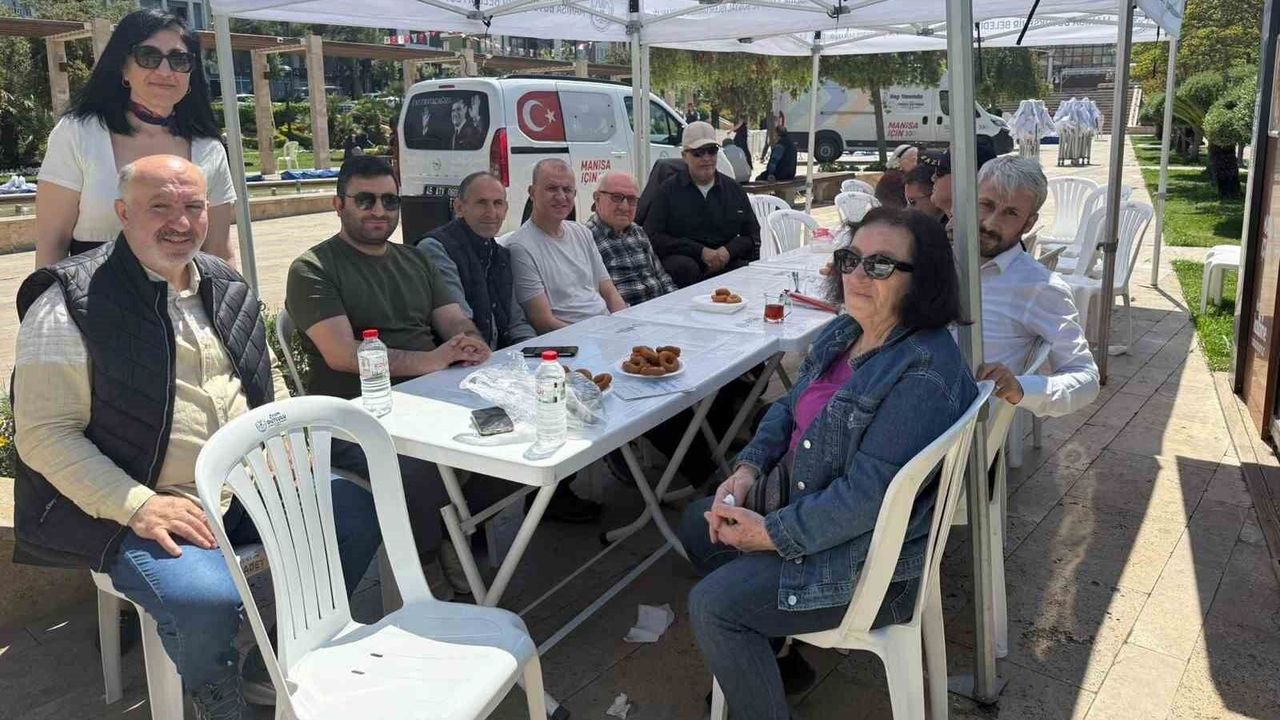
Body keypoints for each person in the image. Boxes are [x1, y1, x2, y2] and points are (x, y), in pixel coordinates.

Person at [13, 155, 380, 719]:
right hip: (142, 501)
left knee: (356, 513)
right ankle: (218, 697)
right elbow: (43, 435)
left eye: (193, 206)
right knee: (204, 599)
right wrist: (138, 505)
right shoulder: (69, 302)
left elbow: (262, 375)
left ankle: (275, 658)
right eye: (159, 206)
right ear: (122, 213)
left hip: (242, 486)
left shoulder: (224, 282)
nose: (180, 222)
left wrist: (279, 440)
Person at [681, 207, 979, 719]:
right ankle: (776, 653)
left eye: (880, 265)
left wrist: (768, 534)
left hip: (867, 563)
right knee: (696, 521)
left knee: (714, 607)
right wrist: (748, 470)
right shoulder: (845, 332)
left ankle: (755, 649)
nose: (857, 275)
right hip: (815, 512)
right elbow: (787, 407)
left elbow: (864, 499)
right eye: (850, 259)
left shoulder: (923, 372)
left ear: (922, 280)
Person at [285, 155, 491, 596]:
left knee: (507, 433)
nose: (379, 210)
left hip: (432, 396)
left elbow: (452, 318)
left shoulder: (415, 259)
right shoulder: (313, 268)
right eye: (365, 200)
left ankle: (453, 534)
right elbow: (342, 355)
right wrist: (432, 360)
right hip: (355, 417)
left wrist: (468, 340)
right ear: (338, 204)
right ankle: (422, 563)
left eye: (389, 200)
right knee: (420, 467)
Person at [35, 9, 237, 267]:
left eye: (179, 60)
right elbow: (52, 243)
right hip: (95, 290)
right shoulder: (79, 134)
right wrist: (45, 294)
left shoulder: (208, 147)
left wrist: (235, 293)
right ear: (124, 67)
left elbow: (219, 250)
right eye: (148, 57)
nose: (165, 71)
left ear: (191, 74)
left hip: (185, 290)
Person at [967, 156, 1099, 416]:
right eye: (986, 205)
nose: (990, 223)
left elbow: (1086, 379)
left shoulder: (1038, 287)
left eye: (1011, 213)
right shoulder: (937, 260)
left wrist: (1021, 388)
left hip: (964, 431)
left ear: (1028, 223)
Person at [416, 171, 537, 349]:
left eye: (498, 203)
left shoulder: (501, 254)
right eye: (481, 203)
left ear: (505, 209)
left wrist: (535, 354)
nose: (491, 213)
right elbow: (458, 324)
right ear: (459, 208)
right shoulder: (437, 249)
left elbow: (517, 324)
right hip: (458, 359)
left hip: (500, 358)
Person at [507, 158, 628, 333]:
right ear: (532, 193)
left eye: (567, 190)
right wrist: (594, 336)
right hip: (571, 339)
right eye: (552, 188)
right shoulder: (520, 247)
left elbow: (609, 292)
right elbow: (543, 321)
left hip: (606, 328)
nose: (561, 197)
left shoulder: (582, 233)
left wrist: (624, 326)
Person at [643, 121, 761, 288]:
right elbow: (653, 236)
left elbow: (752, 234)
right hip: (685, 267)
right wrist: (699, 251)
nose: (706, 158)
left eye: (711, 151)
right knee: (684, 267)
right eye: (698, 153)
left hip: (726, 262)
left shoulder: (734, 189)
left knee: (743, 270)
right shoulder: (667, 191)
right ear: (684, 156)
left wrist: (728, 251)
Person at [584, 171, 678, 306]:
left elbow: (662, 277)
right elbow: (593, 299)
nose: (625, 207)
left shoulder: (638, 231)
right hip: (625, 314)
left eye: (632, 200)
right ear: (597, 199)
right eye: (616, 197)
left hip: (661, 309)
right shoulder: (586, 239)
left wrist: (676, 304)